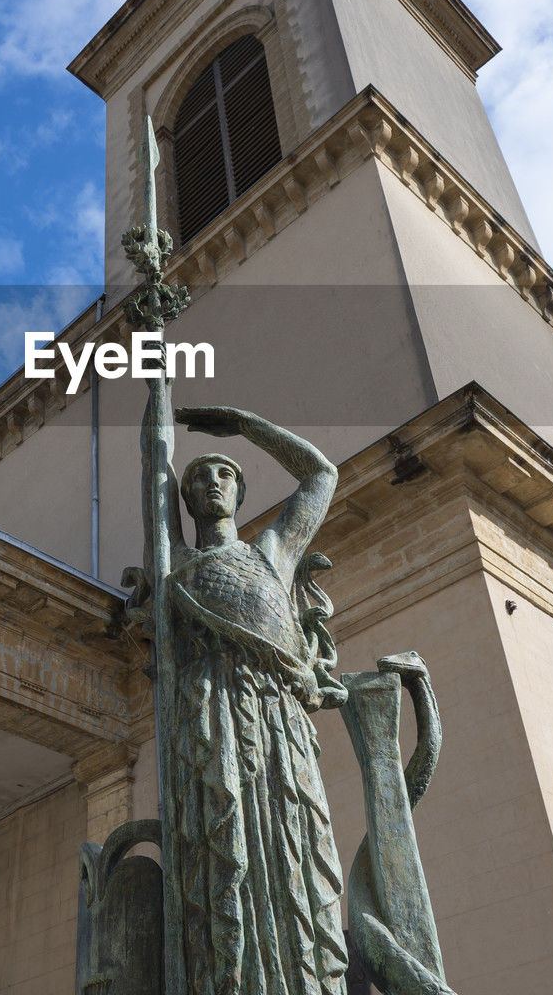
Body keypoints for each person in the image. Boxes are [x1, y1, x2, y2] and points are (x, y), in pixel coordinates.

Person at [161, 404, 349, 995]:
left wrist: (244, 425)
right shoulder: (177, 565)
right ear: (185, 500)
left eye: (223, 475)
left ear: (240, 493)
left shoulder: (271, 553)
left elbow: (322, 475)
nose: (211, 483)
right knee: (225, 853)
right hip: (212, 711)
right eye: (198, 478)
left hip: (279, 715)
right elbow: (153, 469)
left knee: (296, 844)